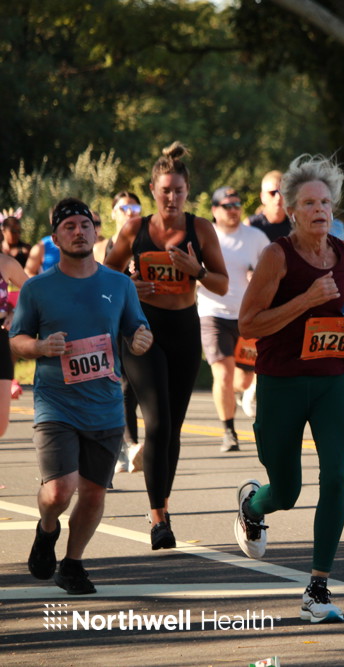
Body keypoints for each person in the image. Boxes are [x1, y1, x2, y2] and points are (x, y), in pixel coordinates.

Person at [233, 154, 344, 623]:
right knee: (287, 491)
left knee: (336, 477)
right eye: (310, 203)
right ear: (291, 211)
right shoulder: (277, 256)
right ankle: (254, 505)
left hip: (333, 379)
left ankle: (317, 588)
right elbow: (248, 324)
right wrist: (305, 300)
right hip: (282, 382)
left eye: (326, 203)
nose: (320, 210)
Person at [11, 198, 152, 594]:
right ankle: (47, 527)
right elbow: (16, 339)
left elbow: (138, 328)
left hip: (105, 406)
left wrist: (141, 339)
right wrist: (40, 347)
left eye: (84, 225)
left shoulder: (119, 284)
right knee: (60, 490)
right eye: (69, 227)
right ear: (55, 238)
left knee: (92, 493)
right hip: (56, 404)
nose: (78, 232)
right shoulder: (37, 288)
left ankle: (72, 564)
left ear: (95, 231)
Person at [105, 142, 229, 550]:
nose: (171, 198)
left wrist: (198, 271)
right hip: (142, 331)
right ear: (152, 191)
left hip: (184, 330)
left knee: (172, 428)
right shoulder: (134, 230)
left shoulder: (201, 229)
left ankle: (163, 504)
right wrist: (129, 284)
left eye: (178, 190)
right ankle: (158, 516)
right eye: (164, 191)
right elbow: (106, 277)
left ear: (188, 191)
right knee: (157, 422)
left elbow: (222, 284)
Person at [198, 186, 270, 452]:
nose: (233, 210)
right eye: (227, 205)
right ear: (215, 210)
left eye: (237, 205)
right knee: (224, 375)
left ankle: (241, 397)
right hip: (213, 313)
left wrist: (258, 277)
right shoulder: (206, 237)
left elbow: (273, 270)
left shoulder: (256, 237)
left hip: (247, 316)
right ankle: (229, 431)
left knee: (243, 381)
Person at [96, 191, 144, 473]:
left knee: (134, 387)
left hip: (142, 322)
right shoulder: (103, 247)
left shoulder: (147, 246)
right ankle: (127, 446)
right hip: (112, 324)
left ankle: (129, 445)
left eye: (135, 208)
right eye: (124, 208)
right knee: (119, 385)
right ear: (113, 213)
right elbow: (95, 286)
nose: (129, 213)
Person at [0, 246, 29, 435]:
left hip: (0, 337)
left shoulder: (5, 263)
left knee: (1, 424)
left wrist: (15, 312)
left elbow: (34, 292)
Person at [247, 170, 291, 242]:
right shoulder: (250, 226)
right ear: (262, 197)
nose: (278, 197)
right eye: (272, 193)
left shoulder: (296, 225)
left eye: (282, 192)